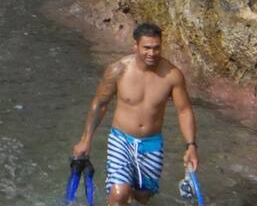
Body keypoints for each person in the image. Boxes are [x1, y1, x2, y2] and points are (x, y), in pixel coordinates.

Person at [70, 23, 200, 205]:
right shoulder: (118, 70)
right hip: (121, 140)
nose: (152, 53)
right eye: (147, 47)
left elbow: (184, 110)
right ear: (136, 46)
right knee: (119, 194)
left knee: (142, 197)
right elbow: (100, 104)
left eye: (156, 48)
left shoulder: (172, 75)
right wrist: (86, 140)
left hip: (152, 144)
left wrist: (191, 146)